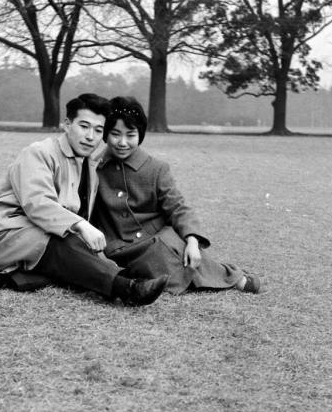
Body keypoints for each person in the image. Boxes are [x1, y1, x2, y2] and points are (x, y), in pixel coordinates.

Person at [0, 93, 168, 306]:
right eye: (84, 126)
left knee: (72, 259)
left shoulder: (89, 165)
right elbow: (38, 204)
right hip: (3, 236)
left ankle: (4, 278)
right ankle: (127, 289)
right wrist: (81, 225)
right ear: (67, 124)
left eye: (98, 130)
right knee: (64, 245)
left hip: (41, 240)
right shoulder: (38, 152)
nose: (90, 136)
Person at [91, 96, 260, 295]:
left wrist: (193, 241)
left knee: (171, 246)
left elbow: (177, 207)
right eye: (115, 134)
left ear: (140, 135)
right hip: (117, 245)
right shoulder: (94, 166)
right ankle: (227, 277)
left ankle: (229, 275)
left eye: (131, 135)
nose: (122, 142)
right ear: (106, 134)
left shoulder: (156, 169)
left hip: (157, 236)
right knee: (155, 257)